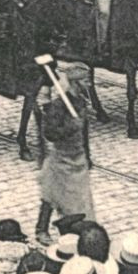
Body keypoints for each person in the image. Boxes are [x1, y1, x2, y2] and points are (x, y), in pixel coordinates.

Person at [35, 61, 95, 245]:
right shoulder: (58, 106)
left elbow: (84, 131)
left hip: (78, 158)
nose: (90, 84)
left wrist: (87, 154)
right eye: (86, 81)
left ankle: (77, 229)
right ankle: (41, 229)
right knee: (51, 195)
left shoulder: (80, 102)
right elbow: (50, 133)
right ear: (76, 82)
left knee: (80, 197)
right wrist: (70, 127)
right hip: (61, 159)